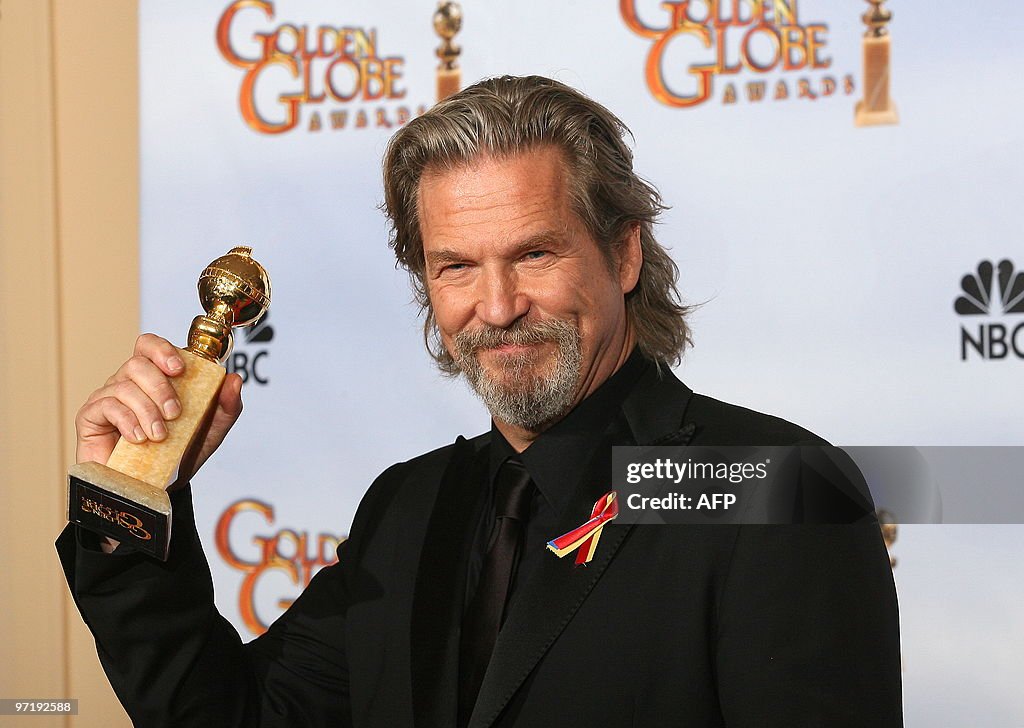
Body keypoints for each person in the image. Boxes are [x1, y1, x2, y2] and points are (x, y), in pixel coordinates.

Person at [58, 75, 902, 727]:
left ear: (625, 255)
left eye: (534, 254)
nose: (496, 308)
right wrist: (133, 496)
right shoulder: (410, 507)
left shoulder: (767, 487)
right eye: (456, 266)